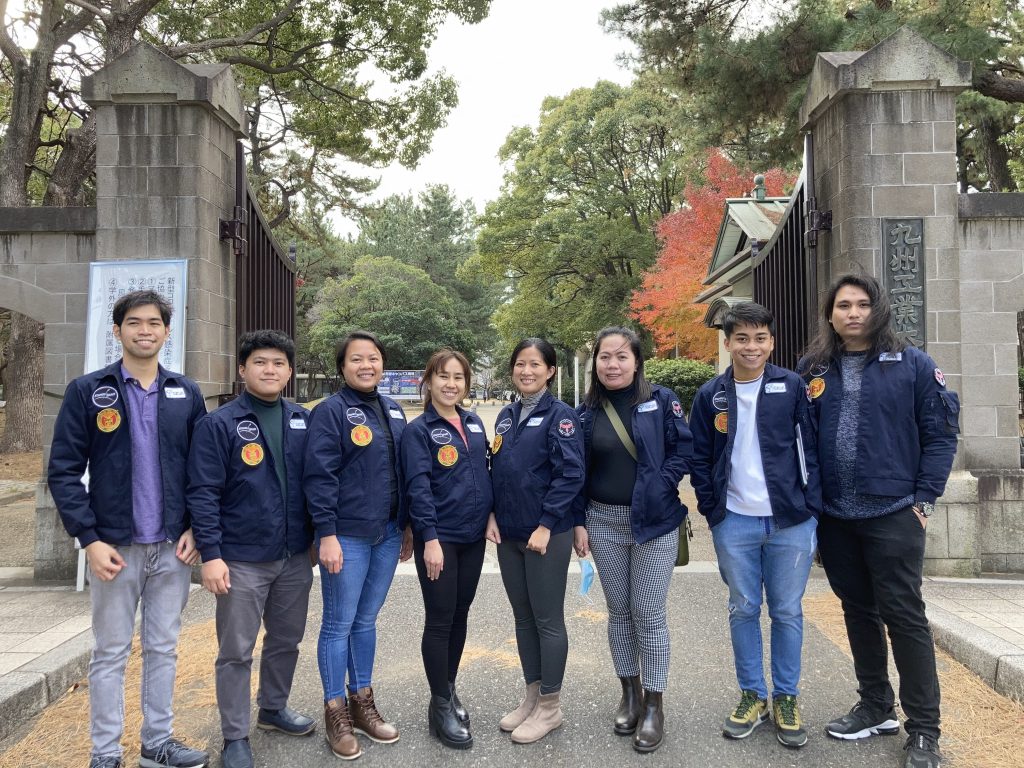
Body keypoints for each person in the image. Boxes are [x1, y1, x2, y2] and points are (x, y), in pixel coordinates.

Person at [800, 274, 960, 768]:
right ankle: (874, 705)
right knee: (857, 611)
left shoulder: (912, 365)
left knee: (905, 619)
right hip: (836, 518)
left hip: (893, 513)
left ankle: (925, 731)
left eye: (862, 304)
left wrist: (924, 502)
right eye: (843, 305)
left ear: (878, 310)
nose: (852, 313)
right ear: (830, 314)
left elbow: (940, 435)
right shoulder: (814, 369)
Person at [47, 290, 208, 768]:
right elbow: (63, 471)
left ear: (166, 331)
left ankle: (156, 743)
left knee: (163, 648)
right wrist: (89, 540)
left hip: (172, 548)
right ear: (116, 331)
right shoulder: (88, 391)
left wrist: (197, 528)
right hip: (113, 548)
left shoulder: (185, 392)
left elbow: (204, 469)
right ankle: (104, 754)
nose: (145, 330)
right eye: (134, 323)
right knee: (111, 652)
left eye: (154, 323)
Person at [689, 302, 821, 749]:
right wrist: (712, 511)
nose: (751, 346)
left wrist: (811, 506)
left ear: (772, 341)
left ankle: (786, 697)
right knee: (743, 608)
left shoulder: (792, 386)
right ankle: (752, 694)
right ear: (727, 343)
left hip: (789, 521)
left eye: (760, 337)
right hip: (734, 522)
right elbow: (700, 458)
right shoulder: (712, 395)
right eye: (742, 338)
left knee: (786, 610)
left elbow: (812, 448)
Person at [187, 330, 315, 768]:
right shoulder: (218, 424)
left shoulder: (301, 419)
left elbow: (316, 484)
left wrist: (315, 539)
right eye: (260, 362)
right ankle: (235, 735)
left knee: (286, 639)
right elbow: (202, 493)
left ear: (290, 371)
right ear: (242, 369)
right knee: (236, 649)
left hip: (295, 555)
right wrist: (212, 554)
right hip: (240, 558)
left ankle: (273, 708)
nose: (270, 370)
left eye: (278, 363)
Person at [572, 326, 692, 753]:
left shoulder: (660, 401)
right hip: (602, 522)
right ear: (595, 364)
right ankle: (629, 691)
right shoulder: (585, 412)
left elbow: (685, 451)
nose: (613, 364)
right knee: (619, 612)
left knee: (648, 612)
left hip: (655, 522)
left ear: (637, 361)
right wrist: (578, 521)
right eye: (605, 357)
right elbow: (577, 472)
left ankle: (655, 704)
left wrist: (661, 483)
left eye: (622, 356)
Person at [303, 331, 410, 761]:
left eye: (374, 358)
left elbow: (403, 472)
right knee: (338, 623)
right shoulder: (330, 412)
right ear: (342, 367)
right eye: (356, 359)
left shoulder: (394, 410)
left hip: (387, 532)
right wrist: (325, 533)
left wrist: (407, 527)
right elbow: (320, 475)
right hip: (345, 535)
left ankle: (361, 701)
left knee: (366, 620)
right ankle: (335, 710)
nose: (367, 366)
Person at [486, 338, 585, 744]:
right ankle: (531, 697)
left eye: (535, 365)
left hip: (546, 534)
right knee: (523, 619)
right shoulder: (507, 415)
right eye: (520, 364)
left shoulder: (560, 416)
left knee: (547, 620)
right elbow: (498, 468)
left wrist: (546, 524)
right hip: (509, 533)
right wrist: (492, 513)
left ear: (550, 371)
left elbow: (570, 475)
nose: (527, 371)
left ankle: (550, 707)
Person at [400, 349, 492, 750]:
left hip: (473, 537)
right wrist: (430, 539)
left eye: (458, 377)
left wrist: (491, 515)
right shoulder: (418, 431)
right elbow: (418, 488)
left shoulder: (472, 423)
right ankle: (439, 706)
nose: (451, 383)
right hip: (440, 540)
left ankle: (449, 689)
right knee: (439, 619)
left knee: (460, 614)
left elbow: (484, 473)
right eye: (443, 376)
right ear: (429, 381)